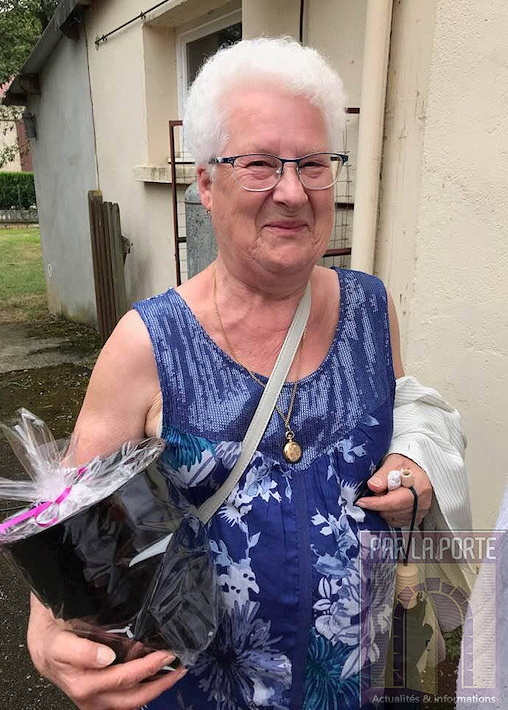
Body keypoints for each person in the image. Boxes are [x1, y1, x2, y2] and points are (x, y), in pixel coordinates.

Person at [27, 37, 466, 710]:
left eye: (313, 164)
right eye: (258, 165)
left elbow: (405, 414)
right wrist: (45, 638)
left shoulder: (371, 308)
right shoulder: (147, 344)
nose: (292, 192)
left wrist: (413, 461)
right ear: (206, 183)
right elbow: (69, 518)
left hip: (363, 683)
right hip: (204, 691)